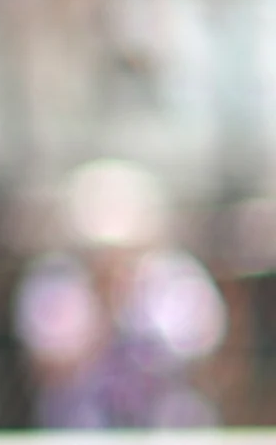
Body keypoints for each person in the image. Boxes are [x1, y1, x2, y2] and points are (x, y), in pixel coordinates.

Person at [17, 158, 226, 429]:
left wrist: (130, 305)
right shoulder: (55, 279)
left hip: (166, 431)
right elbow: (50, 367)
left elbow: (201, 364)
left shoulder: (178, 279)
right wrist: (103, 307)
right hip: (82, 434)